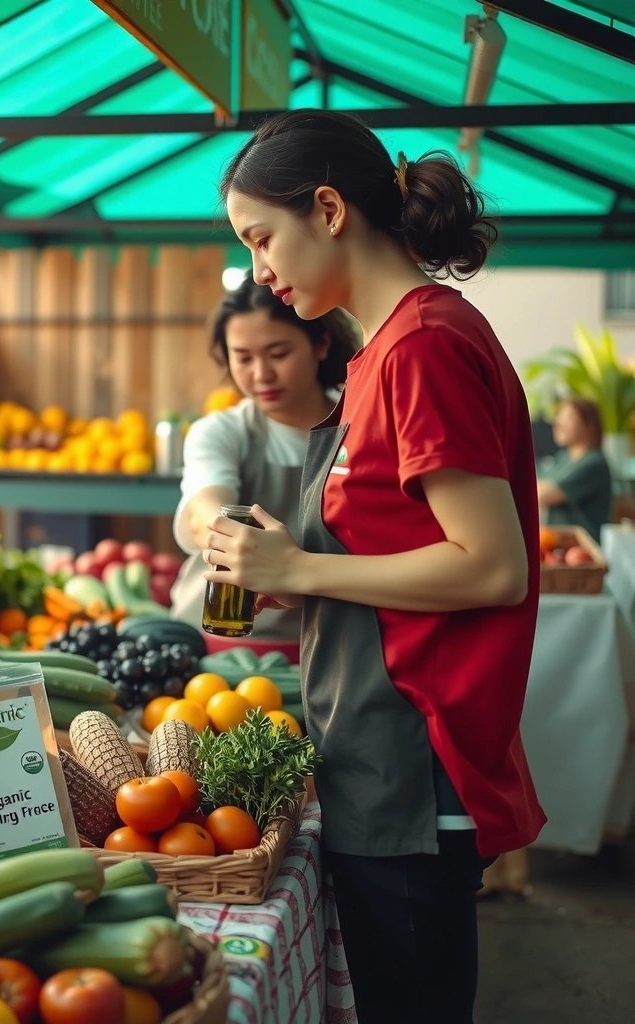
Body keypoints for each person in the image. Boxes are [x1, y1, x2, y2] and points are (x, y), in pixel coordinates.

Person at [201, 110, 546, 1024]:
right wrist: (295, 566)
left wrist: (307, 572)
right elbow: (397, 544)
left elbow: (490, 567)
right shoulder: (384, 350)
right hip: (374, 756)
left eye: (262, 239)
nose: (260, 272)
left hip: (414, 766)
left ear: (328, 208)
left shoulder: (423, 347)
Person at [169, 272, 358, 647]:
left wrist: (290, 568)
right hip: (216, 641)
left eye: (278, 354)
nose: (261, 374)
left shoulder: (361, 425)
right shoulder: (222, 432)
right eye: (243, 358)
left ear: (321, 343)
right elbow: (202, 512)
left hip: (324, 647)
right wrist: (230, 536)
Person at [537, 397, 613, 539]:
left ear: (589, 424)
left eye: (568, 418)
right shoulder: (562, 458)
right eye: (558, 417)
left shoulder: (594, 463)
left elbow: (541, 495)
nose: (558, 423)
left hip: (583, 550)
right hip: (557, 544)